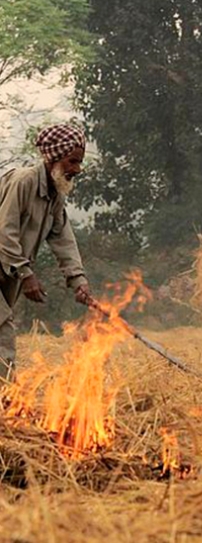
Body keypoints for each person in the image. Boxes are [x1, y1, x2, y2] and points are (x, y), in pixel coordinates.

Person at [0, 124, 94, 383]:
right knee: (2, 328)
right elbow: (4, 233)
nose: (77, 169)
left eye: (79, 162)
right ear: (53, 157)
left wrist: (78, 280)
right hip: (9, 265)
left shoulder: (55, 193)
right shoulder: (23, 182)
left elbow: (63, 237)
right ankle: (7, 398)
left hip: (7, 272)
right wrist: (26, 273)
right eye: (72, 161)